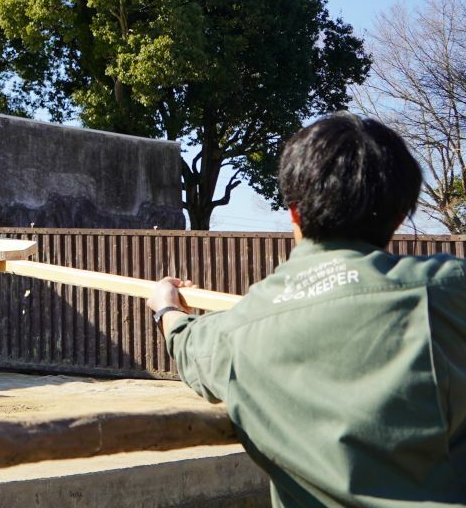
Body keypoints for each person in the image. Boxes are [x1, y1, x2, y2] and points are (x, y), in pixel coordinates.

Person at [148, 112, 465, 507]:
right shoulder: (448, 290)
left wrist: (165, 306)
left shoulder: (240, 330)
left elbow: (187, 344)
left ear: (294, 211)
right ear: (400, 216)